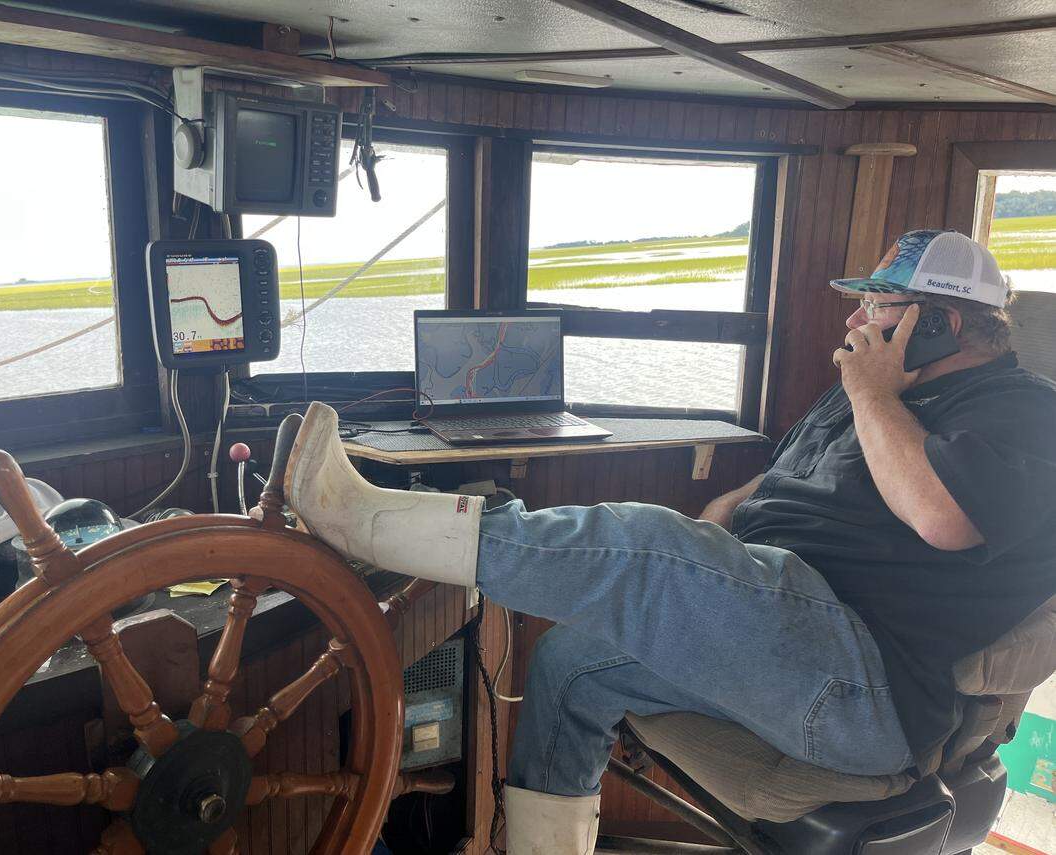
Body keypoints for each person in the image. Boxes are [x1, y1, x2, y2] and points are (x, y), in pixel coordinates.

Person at [283, 230, 1056, 855]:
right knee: (572, 664)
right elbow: (782, 487)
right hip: (789, 632)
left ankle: (370, 525)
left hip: (868, 690)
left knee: (644, 546)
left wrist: (869, 392)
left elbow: (941, 516)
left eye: (877, 306)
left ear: (944, 324)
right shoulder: (879, 392)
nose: (855, 323)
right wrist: (712, 545)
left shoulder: (1020, 411)